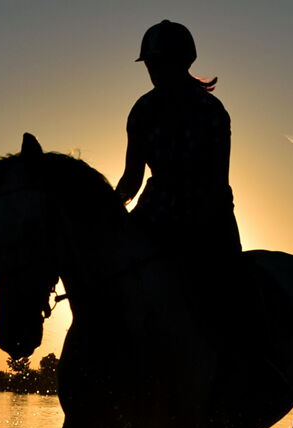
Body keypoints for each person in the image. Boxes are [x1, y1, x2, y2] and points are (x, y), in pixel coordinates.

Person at [116, 20, 241, 264]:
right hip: (152, 216)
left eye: (161, 62)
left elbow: (217, 182)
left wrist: (198, 225)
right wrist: (108, 210)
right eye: (150, 64)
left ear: (183, 61)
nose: (154, 70)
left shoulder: (211, 111)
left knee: (228, 279)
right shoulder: (142, 110)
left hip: (208, 222)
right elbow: (131, 179)